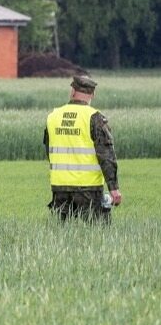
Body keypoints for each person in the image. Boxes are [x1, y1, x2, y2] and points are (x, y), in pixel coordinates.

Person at [44, 74, 121, 222]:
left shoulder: (53, 116)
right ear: (93, 94)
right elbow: (106, 155)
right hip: (88, 188)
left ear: (72, 91)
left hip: (60, 187)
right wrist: (114, 188)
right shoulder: (94, 117)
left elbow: (49, 151)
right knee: (96, 235)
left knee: (62, 237)